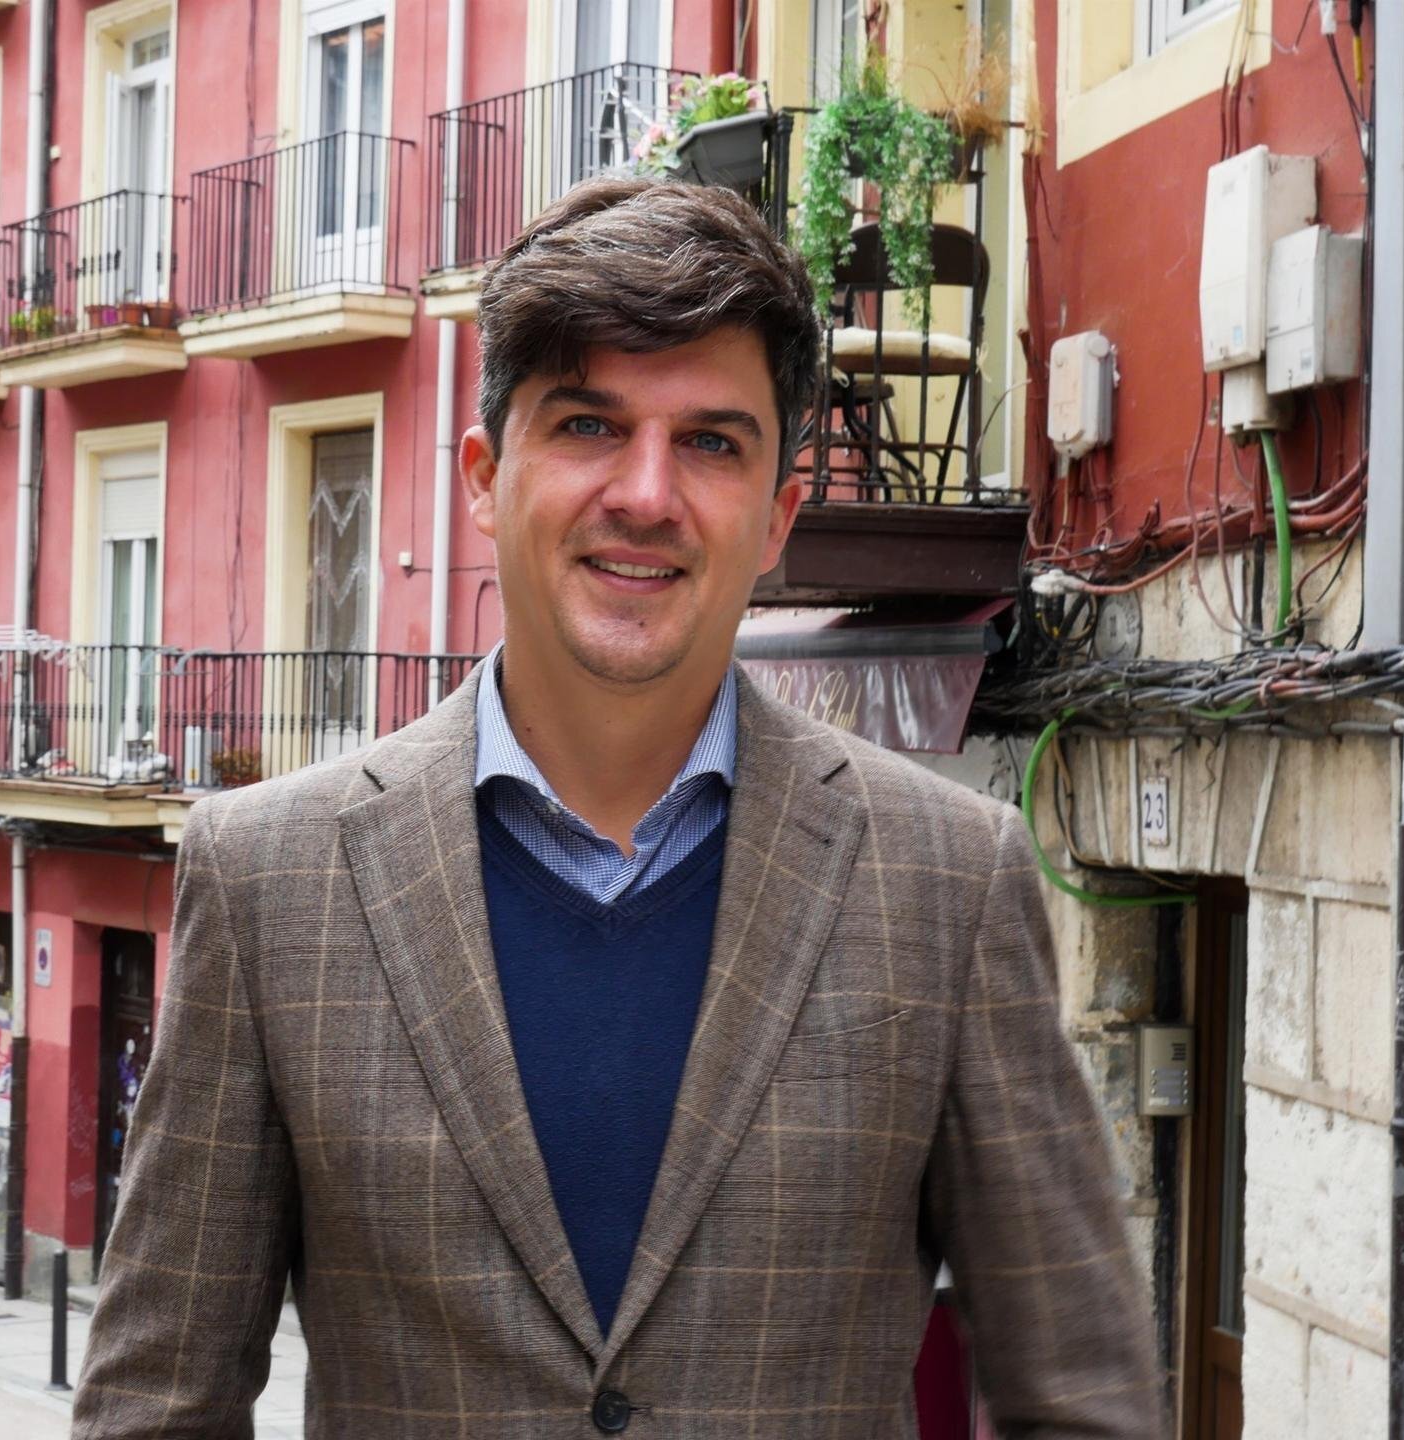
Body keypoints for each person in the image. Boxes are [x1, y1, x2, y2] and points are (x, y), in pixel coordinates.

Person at [73, 177, 1159, 1438]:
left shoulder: (948, 880)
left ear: (778, 517)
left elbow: (1082, 1395)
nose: (646, 493)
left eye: (712, 443)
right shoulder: (270, 881)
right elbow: (156, 1406)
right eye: (588, 424)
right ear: (485, 476)